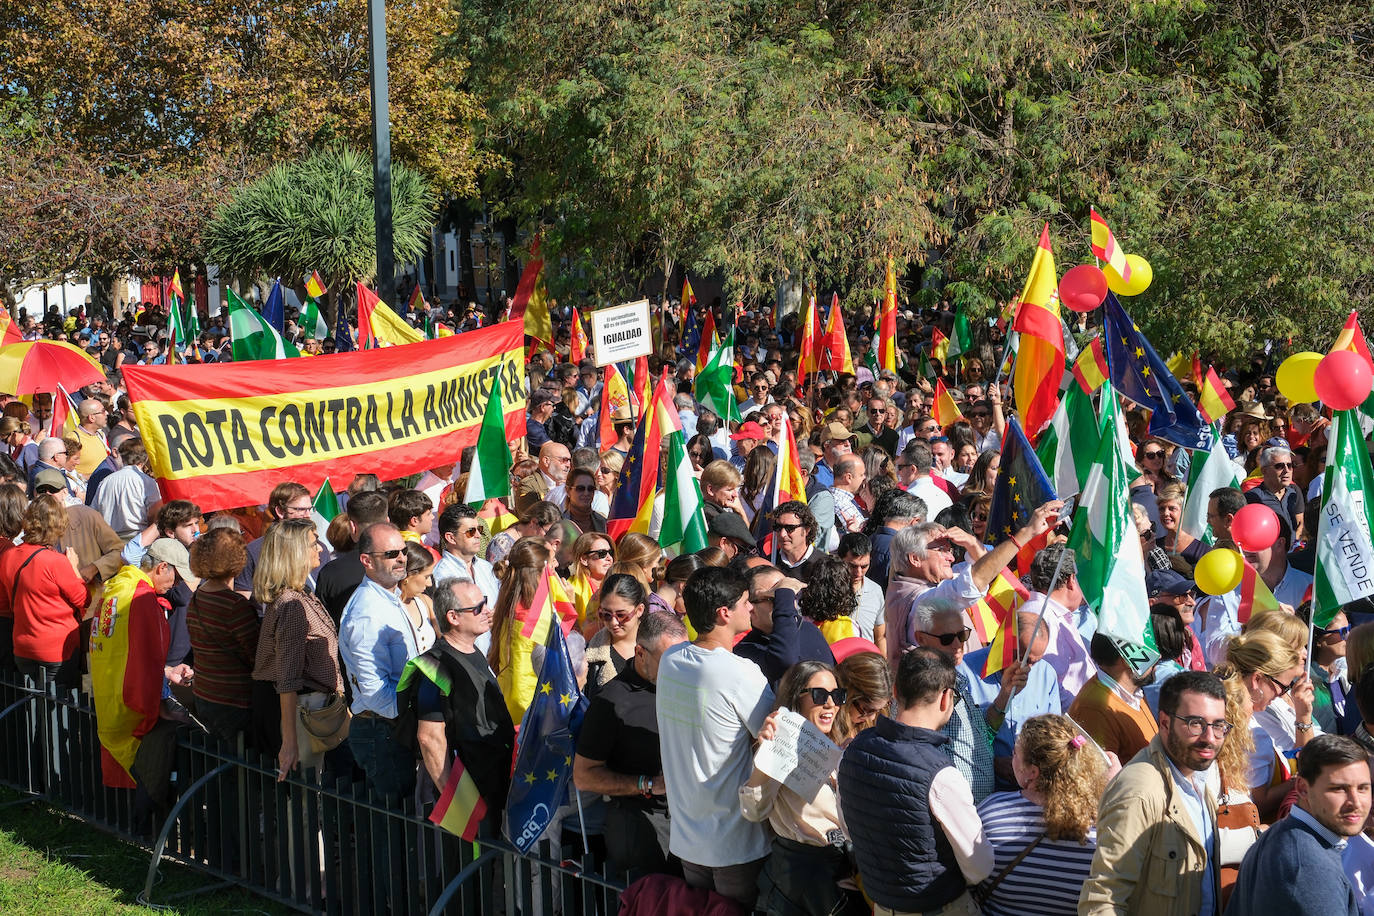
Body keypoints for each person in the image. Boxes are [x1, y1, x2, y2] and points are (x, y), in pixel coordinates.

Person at [839, 647, 994, 915]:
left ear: (896, 692)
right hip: (937, 906)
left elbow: (849, 829)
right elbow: (979, 865)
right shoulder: (941, 775)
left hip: (883, 906)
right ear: (946, 698)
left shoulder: (852, 751)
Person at [656, 566, 775, 907]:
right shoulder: (740, 673)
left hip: (688, 840)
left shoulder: (671, 661)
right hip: (736, 843)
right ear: (725, 613)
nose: (751, 608)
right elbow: (772, 737)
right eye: (746, 602)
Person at [1080, 670, 1225, 916]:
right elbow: (1102, 901)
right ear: (1165, 723)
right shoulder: (1138, 792)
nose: (1209, 738)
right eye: (1195, 724)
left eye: (1218, 725)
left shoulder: (1197, 777)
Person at [741, 660, 867, 916]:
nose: (831, 704)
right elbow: (754, 811)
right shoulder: (782, 746)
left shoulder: (839, 745)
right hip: (807, 879)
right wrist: (765, 759)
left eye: (837, 695)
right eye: (820, 695)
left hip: (845, 869)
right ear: (796, 698)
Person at [574, 610, 689, 879]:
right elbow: (583, 776)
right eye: (669, 660)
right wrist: (646, 784)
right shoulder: (610, 701)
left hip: (687, 821)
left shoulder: (684, 687)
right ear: (640, 652)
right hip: (639, 825)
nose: (680, 668)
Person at [884, 499, 1062, 673]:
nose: (951, 558)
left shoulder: (909, 587)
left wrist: (971, 543)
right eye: (942, 550)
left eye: (950, 550)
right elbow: (973, 582)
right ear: (915, 558)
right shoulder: (922, 601)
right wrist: (1027, 532)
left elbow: (982, 569)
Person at [398, 578, 513, 837]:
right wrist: (457, 801)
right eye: (477, 607)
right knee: (470, 871)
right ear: (453, 617)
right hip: (467, 795)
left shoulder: (473, 651)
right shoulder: (435, 666)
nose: (487, 610)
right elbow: (429, 738)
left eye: (485, 602)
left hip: (492, 782)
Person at [974, 714, 1109, 915]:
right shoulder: (1102, 826)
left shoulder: (991, 811)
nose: (1012, 758)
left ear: (1032, 772)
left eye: (1015, 754)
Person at [1227, 734, 1369, 916]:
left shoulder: (1282, 834)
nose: (1356, 802)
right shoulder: (1310, 871)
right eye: (1338, 788)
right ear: (1302, 788)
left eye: (1363, 788)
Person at [251, 518, 343, 781]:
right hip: (299, 713)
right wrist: (289, 741)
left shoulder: (299, 594)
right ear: (295, 552)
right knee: (303, 798)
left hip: (307, 708)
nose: (321, 549)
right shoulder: (291, 603)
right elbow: (287, 677)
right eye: (314, 543)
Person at [338, 522, 422, 798]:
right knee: (395, 823)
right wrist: (412, 718)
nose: (401, 559)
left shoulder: (389, 598)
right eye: (391, 554)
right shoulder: (368, 613)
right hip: (383, 730)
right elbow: (375, 693)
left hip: (391, 726)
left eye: (403, 551)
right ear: (366, 560)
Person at [0, 495, 88, 686]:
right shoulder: (56, 562)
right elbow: (83, 600)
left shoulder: (8, 556)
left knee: (32, 709)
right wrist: (74, 567)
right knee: (63, 710)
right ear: (57, 526)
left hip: (23, 645)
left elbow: (9, 602)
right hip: (57, 648)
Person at [185, 527, 262, 747]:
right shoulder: (234, 605)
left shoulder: (198, 597)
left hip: (205, 692)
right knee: (242, 765)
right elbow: (255, 655)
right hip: (234, 699)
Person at [1069, 633, 1161, 764]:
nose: (1158, 656)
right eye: (1148, 648)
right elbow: (1101, 777)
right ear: (1127, 658)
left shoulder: (1133, 693)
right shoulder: (1096, 709)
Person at [313, 490, 389, 624]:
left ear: (352, 527)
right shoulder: (408, 561)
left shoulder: (331, 572)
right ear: (387, 521)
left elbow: (322, 623)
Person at [432, 503, 501, 624]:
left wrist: (497, 611)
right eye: (471, 532)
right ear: (451, 538)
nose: (478, 535)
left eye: (479, 529)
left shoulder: (486, 567)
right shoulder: (441, 576)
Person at [584, 574, 646, 693]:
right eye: (606, 615)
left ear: (639, 610)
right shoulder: (589, 657)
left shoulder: (656, 647)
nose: (613, 622)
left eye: (621, 615)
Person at [838, 532, 885, 652]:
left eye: (864, 566)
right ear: (840, 559)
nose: (859, 573)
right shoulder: (827, 588)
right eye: (852, 566)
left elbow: (880, 637)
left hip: (866, 664)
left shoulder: (875, 591)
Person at [567, 531, 615, 628]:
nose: (609, 558)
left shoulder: (619, 582)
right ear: (584, 559)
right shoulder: (570, 588)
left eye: (610, 552)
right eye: (602, 554)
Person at [399, 542, 438, 654]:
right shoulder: (389, 607)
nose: (430, 584)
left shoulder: (425, 601)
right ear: (408, 575)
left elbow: (447, 636)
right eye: (426, 577)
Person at [514, 440, 571, 513]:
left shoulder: (572, 484)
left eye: (569, 460)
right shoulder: (528, 485)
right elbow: (531, 516)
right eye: (564, 460)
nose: (568, 465)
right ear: (546, 461)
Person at [771, 501, 821, 579]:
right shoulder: (770, 561)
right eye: (778, 528)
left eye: (790, 528)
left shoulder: (824, 565)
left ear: (807, 530)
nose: (782, 534)